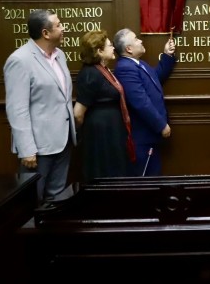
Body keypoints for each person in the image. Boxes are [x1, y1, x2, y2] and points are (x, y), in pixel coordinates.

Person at [4, 9, 76, 203]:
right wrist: (26, 148)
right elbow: (17, 108)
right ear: (45, 33)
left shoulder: (59, 55)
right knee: (31, 200)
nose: (63, 29)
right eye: (59, 25)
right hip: (38, 147)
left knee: (58, 196)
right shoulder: (20, 60)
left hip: (63, 140)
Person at [112, 28, 176, 176]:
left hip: (150, 137)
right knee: (144, 183)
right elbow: (140, 102)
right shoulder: (125, 69)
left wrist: (167, 55)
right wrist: (160, 125)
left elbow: (155, 78)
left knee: (153, 180)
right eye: (136, 39)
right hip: (143, 137)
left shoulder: (138, 64)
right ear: (128, 49)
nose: (140, 41)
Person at [73, 30, 135, 181]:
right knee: (104, 172)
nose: (113, 47)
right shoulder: (90, 74)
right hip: (100, 135)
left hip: (111, 132)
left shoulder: (103, 70)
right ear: (99, 51)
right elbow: (78, 114)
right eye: (109, 45)